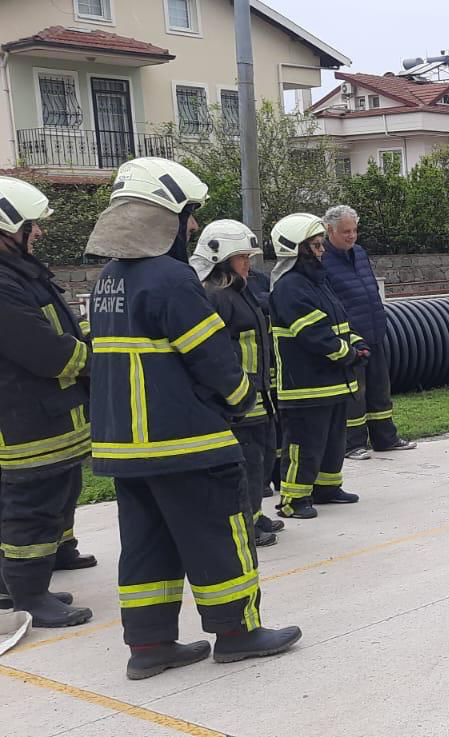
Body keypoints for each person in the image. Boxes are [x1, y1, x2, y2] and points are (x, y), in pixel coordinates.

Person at [85, 158, 300, 679]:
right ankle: (237, 633)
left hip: (124, 449)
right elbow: (213, 359)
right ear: (167, 216)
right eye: (189, 214)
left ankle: (149, 646)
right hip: (187, 442)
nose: (195, 225)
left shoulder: (108, 280)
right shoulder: (172, 279)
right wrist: (243, 398)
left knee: (146, 548)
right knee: (219, 537)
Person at [0, 176, 93, 628]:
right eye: (30, 225)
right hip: (24, 420)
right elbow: (43, 351)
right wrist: (93, 360)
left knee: (48, 498)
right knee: (31, 508)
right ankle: (29, 598)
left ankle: (22, 587)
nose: (37, 232)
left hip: (43, 414)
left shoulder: (18, 273)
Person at [192, 220, 283, 547]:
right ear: (222, 259)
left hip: (259, 396)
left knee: (262, 460)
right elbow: (216, 353)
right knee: (248, 464)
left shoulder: (239, 292)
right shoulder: (216, 297)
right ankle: (244, 524)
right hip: (239, 400)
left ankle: (254, 515)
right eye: (242, 257)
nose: (248, 263)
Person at [269, 213, 365, 519]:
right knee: (304, 445)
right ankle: (293, 500)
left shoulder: (317, 283)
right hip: (305, 387)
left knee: (333, 442)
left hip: (332, 382)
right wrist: (348, 355)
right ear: (297, 249)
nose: (322, 250)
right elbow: (314, 335)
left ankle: (327, 488)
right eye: (316, 245)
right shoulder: (289, 287)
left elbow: (340, 322)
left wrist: (358, 343)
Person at [321, 206, 414, 460]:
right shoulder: (323, 259)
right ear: (330, 230)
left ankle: (385, 438)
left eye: (354, 230)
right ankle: (352, 444)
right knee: (355, 392)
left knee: (379, 388)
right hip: (349, 337)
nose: (352, 236)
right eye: (346, 232)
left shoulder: (359, 253)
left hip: (374, 331)